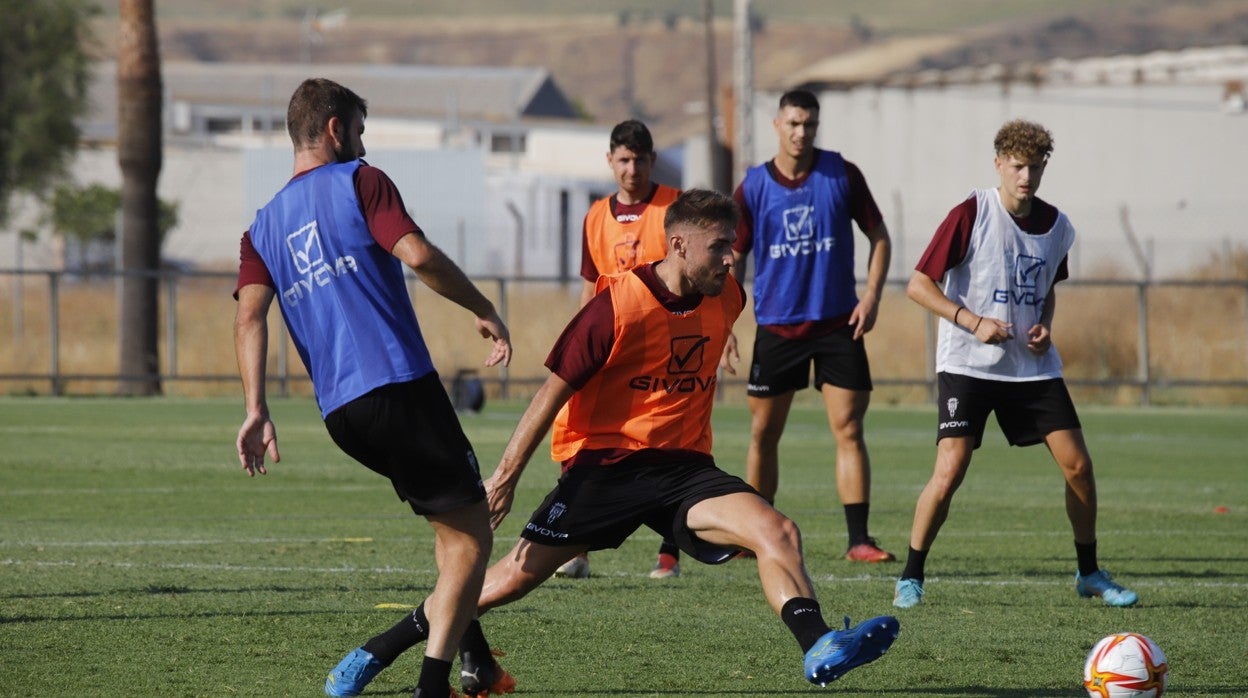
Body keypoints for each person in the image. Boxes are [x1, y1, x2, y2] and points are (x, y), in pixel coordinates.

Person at [232, 77, 516, 698]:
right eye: (358, 132)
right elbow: (417, 255)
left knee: (450, 530)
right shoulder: (360, 181)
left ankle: (477, 662)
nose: (363, 145)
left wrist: (256, 407)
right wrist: (482, 306)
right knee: (473, 536)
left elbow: (250, 317)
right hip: (399, 387)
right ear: (335, 129)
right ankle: (429, 683)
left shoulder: (262, 227)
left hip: (342, 413)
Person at [892, 118, 1139, 609]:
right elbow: (919, 285)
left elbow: (1047, 291)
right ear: (999, 164)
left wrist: (1044, 324)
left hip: (1031, 367)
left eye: (1036, 167)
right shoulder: (971, 212)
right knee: (951, 469)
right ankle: (911, 575)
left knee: (1079, 466)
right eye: (1018, 166)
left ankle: (1089, 572)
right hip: (968, 364)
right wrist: (971, 321)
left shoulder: (1058, 227)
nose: (1026, 176)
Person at [722, 89, 895, 563]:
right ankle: (756, 536)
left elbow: (879, 237)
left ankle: (859, 540)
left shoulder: (841, 174)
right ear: (777, 125)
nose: (801, 133)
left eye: (810, 125)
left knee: (849, 428)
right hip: (778, 327)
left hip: (838, 324)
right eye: (794, 123)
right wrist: (724, 321)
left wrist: (872, 296)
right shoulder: (754, 186)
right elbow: (733, 256)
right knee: (763, 433)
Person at [556, 118, 684, 581]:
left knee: (669, 445)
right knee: (577, 434)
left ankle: (669, 553)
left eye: (640, 160)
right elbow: (591, 284)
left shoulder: (674, 207)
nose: (632, 169)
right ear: (610, 160)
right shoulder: (595, 215)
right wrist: (580, 340)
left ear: (652, 161)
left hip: (661, 346)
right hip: (608, 345)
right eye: (624, 160)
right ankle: (575, 547)